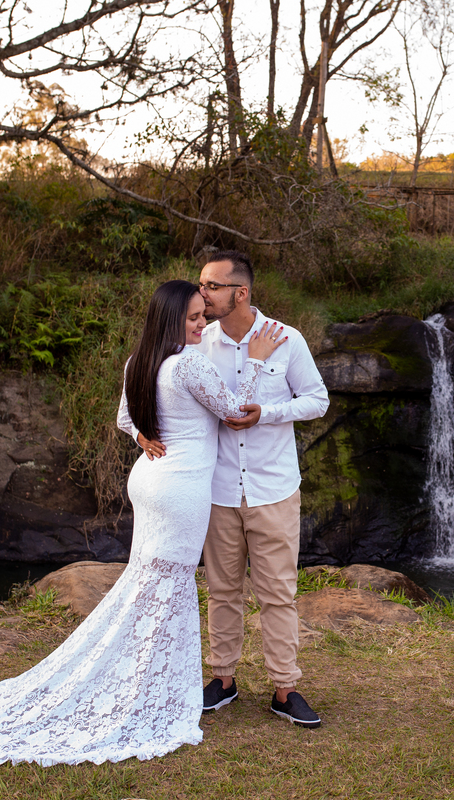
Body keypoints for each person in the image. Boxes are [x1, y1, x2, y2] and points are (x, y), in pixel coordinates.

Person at [0, 280, 285, 765]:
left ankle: (142, 679)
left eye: (200, 316)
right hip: (180, 487)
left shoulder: (139, 361)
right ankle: (150, 691)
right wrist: (256, 360)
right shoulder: (188, 362)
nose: (200, 324)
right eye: (191, 318)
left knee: (149, 583)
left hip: (149, 479)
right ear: (169, 320)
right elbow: (234, 414)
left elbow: (126, 419)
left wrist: (145, 436)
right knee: (168, 585)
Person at [136, 250, 329, 728]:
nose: (201, 294)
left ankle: (285, 688)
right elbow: (148, 380)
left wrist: (271, 412)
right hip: (216, 488)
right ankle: (222, 680)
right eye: (201, 285)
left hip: (274, 487)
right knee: (221, 590)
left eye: (211, 286)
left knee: (277, 593)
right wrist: (138, 430)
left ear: (240, 292)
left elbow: (317, 400)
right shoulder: (196, 340)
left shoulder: (287, 339)